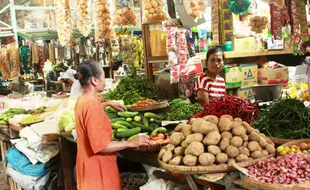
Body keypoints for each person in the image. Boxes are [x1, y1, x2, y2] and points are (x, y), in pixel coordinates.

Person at [74, 60, 150, 190]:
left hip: (87, 167)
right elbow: (102, 146)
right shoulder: (92, 106)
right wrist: (130, 143)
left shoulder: (82, 100)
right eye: (103, 76)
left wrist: (108, 103)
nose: (105, 80)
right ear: (94, 80)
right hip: (99, 171)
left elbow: (90, 113)